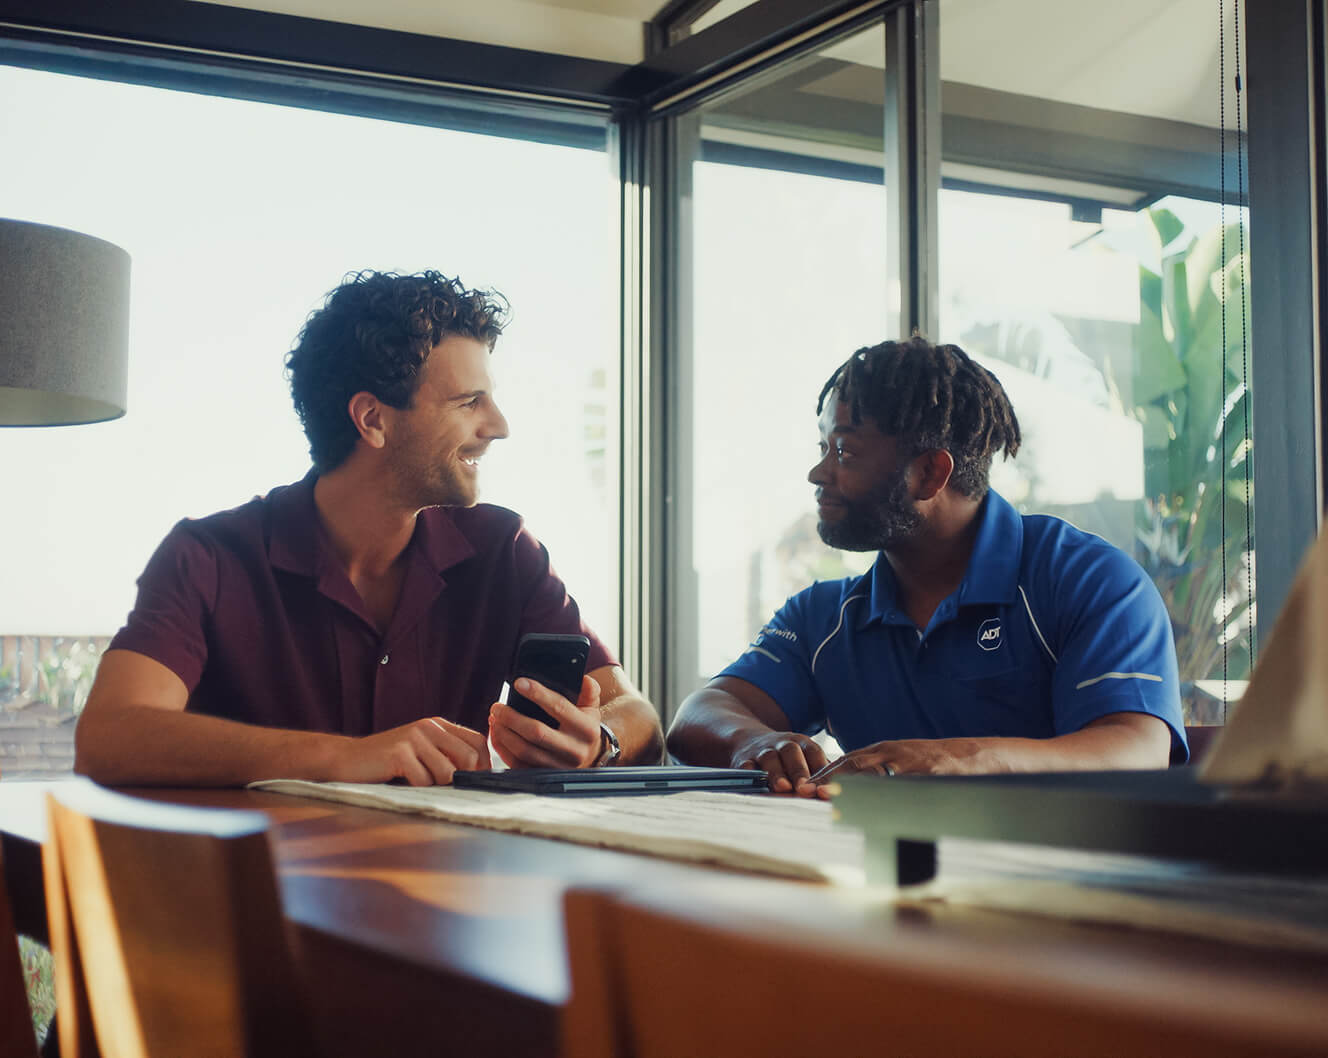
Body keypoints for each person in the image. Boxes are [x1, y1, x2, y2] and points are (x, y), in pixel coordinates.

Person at [75, 271, 662, 787]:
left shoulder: (505, 550)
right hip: (257, 900)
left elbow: (637, 714)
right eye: (469, 402)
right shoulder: (208, 558)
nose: (499, 426)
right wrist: (342, 758)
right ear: (373, 420)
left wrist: (599, 740)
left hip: (442, 896)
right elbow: (109, 735)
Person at [668, 337, 1185, 796]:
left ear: (930, 473)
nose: (817, 472)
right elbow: (698, 714)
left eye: (844, 450)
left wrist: (956, 761)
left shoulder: (1086, 579)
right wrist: (755, 742)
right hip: (889, 885)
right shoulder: (823, 617)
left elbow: (1137, 752)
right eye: (823, 447)